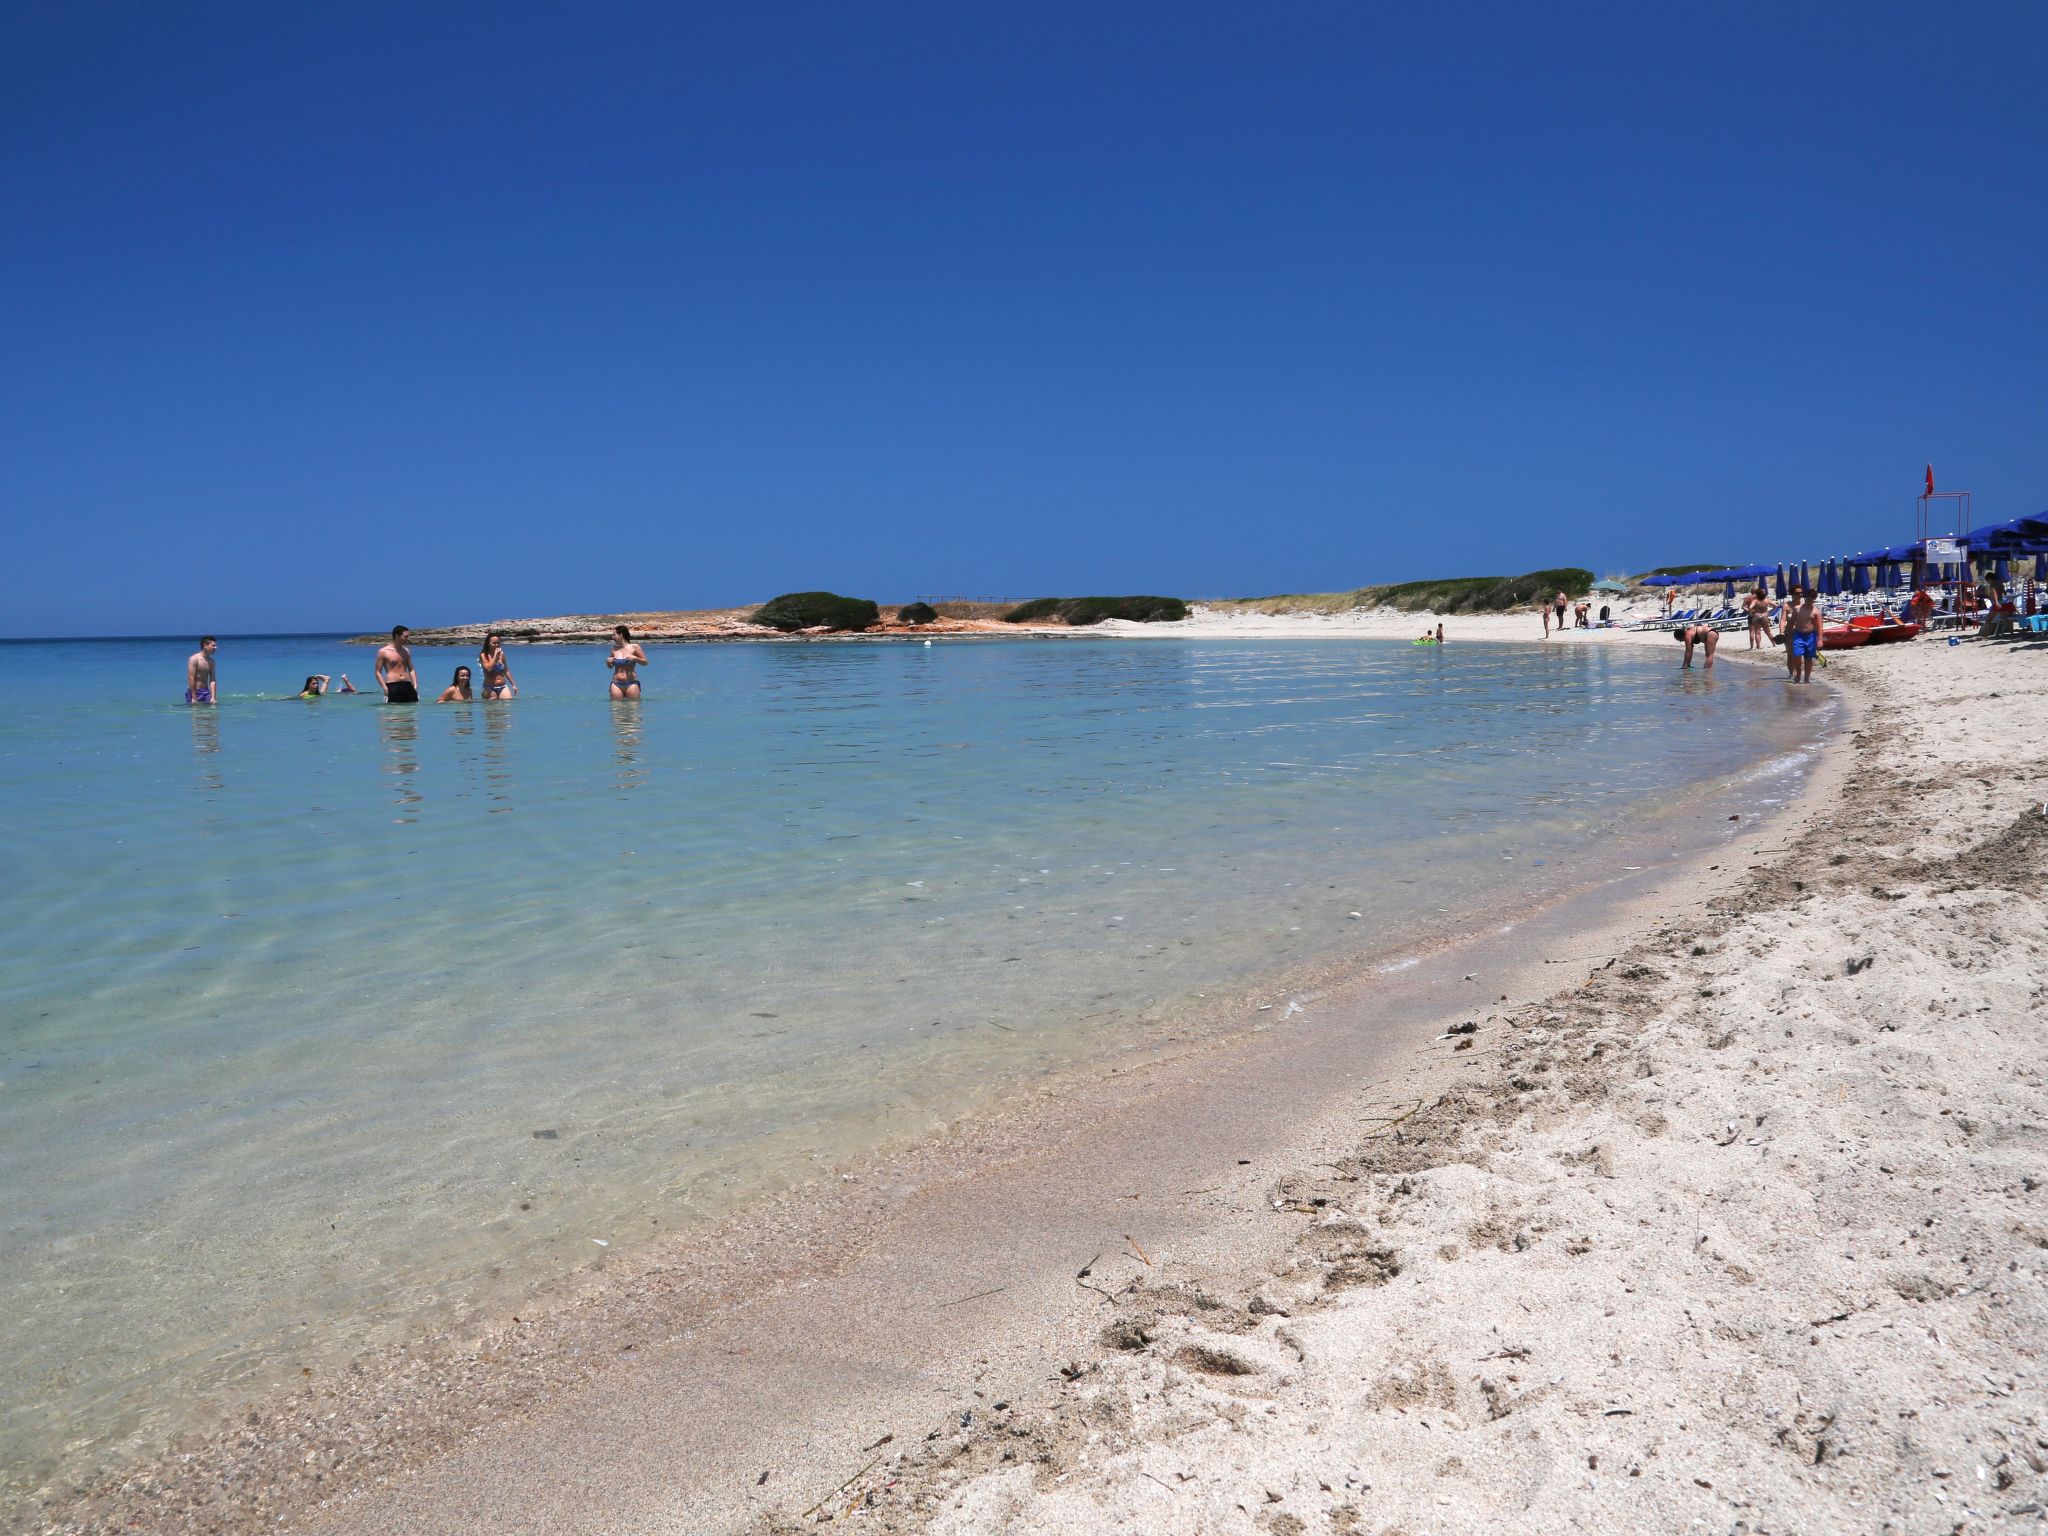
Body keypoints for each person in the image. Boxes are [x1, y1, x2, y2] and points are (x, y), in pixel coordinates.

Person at [1785, 586, 1820, 684]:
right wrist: (1787, 634)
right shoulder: (1797, 609)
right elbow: (1791, 623)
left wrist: (1820, 640)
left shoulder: (1816, 611)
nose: (1810, 602)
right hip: (1798, 634)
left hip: (1811, 636)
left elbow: (1819, 627)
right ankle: (1799, 672)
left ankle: (1807, 679)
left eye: (1812, 600)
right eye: (1808, 599)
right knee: (1796, 654)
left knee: (1808, 658)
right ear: (1805, 598)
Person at [376, 626, 419, 703]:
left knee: (411, 712)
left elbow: (411, 669)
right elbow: (378, 672)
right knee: (393, 712)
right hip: (392, 685)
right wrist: (385, 688)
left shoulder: (406, 651)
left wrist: (415, 686)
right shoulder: (383, 651)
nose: (407, 638)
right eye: (405, 636)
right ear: (397, 635)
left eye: (408, 636)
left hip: (407, 684)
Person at [607, 624, 647, 699]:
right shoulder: (614, 649)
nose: (612, 637)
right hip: (616, 684)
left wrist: (635, 658)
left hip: (631, 683)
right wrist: (608, 663)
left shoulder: (635, 647)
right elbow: (610, 667)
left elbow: (645, 663)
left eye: (614, 635)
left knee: (633, 708)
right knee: (616, 708)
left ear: (621, 634)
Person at [478, 633, 516, 699]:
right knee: (493, 707)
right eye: (494, 643)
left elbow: (506, 670)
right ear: (488, 643)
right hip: (489, 688)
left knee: (508, 702)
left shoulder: (501, 654)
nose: (496, 645)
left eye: (498, 643)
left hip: (503, 686)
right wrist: (495, 655)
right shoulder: (483, 655)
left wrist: (513, 684)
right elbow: (489, 669)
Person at [185, 636, 218, 704]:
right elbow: (191, 678)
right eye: (213, 646)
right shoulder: (194, 659)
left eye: (216, 646)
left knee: (212, 713)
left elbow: (213, 680)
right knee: (196, 713)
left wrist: (213, 697)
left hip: (206, 692)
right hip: (194, 691)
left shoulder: (211, 661)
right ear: (205, 645)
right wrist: (194, 697)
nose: (216, 648)